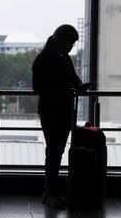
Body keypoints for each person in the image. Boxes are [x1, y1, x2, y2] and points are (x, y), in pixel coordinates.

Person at [32, 24, 89, 208]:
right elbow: (39, 88)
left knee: (55, 151)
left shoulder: (53, 57)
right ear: (62, 41)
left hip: (59, 110)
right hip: (54, 110)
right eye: (70, 43)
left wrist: (78, 86)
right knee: (55, 151)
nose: (71, 47)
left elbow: (73, 78)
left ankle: (50, 192)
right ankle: (51, 192)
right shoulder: (47, 59)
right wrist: (70, 89)